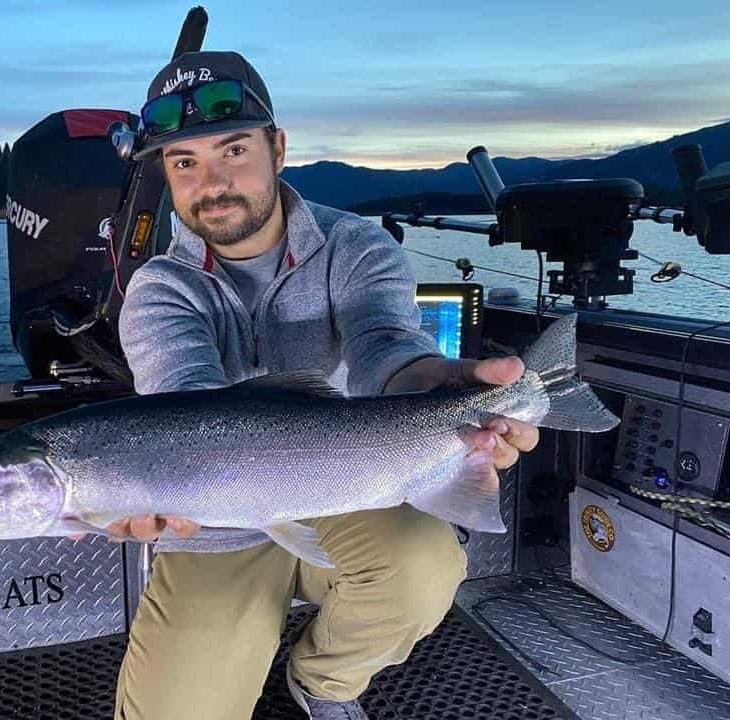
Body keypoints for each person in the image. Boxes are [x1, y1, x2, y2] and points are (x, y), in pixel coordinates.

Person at [110, 50, 539, 720]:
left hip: (347, 490)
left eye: (232, 150)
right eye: (184, 163)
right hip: (216, 525)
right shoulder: (161, 288)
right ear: (167, 177)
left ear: (277, 148)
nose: (212, 182)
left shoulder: (358, 246)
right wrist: (137, 487)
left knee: (423, 567)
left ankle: (323, 681)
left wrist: (441, 383)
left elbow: (384, 346)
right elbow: (187, 402)